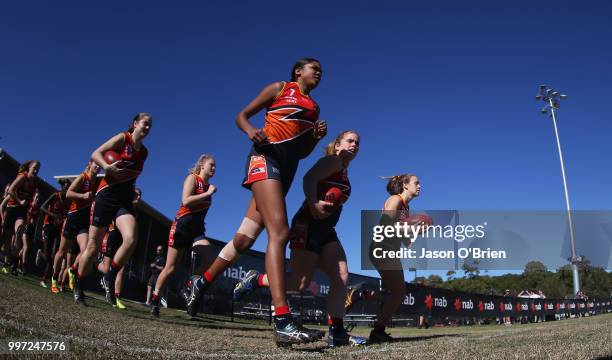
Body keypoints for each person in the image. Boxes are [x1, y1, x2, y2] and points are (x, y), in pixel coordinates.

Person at [185, 58, 326, 346]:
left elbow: (301, 153)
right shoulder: (279, 88)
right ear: (298, 71)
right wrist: (252, 131)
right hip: (264, 160)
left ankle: (200, 283)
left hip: (285, 172)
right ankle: (283, 320)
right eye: (315, 68)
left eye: (321, 71)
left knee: (244, 240)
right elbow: (242, 116)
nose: (319, 73)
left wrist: (314, 138)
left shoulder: (315, 109)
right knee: (280, 232)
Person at [234, 131, 367, 347]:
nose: (355, 145)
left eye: (357, 143)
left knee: (341, 276)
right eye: (350, 141)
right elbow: (309, 178)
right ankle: (256, 280)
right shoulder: (332, 161)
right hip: (308, 224)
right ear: (338, 144)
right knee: (300, 282)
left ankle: (337, 332)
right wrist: (314, 203)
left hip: (327, 229)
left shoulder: (343, 169)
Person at [72, 112, 152, 306]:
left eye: (151, 126)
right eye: (145, 124)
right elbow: (95, 153)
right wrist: (107, 167)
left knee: (131, 237)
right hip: (105, 197)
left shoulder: (144, 152)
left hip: (123, 201)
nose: (148, 128)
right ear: (135, 124)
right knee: (92, 248)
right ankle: (78, 285)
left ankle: (110, 275)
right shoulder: (122, 138)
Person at [356, 174, 425, 343]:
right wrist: (409, 228)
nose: (420, 186)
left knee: (394, 293)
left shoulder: (405, 208)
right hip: (382, 248)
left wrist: (414, 234)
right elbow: (385, 225)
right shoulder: (394, 200)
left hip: (389, 250)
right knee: (399, 292)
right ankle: (377, 331)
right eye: (416, 183)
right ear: (405, 185)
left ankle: (361, 294)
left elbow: (404, 236)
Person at [150, 154, 216, 317]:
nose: (214, 169)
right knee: (170, 268)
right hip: (182, 227)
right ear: (202, 165)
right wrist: (208, 194)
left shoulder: (209, 187)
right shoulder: (192, 179)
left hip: (197, 231)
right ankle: (155, 299)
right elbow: (186, 201)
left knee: (209, 260)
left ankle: (188, 284)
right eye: (211, 165)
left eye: (215, 166)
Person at [51, 160, 100, 293]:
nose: (98, 166)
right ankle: (54, 278)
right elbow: (68, 193)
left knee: (86, 250)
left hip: (84, 222)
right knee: (61, 252)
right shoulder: (83, 177)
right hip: (73, 218)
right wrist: (83, 195)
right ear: (90, 164)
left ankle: (72, 269)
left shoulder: (97, 183)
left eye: (100, 165)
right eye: (96, 164)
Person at [97, 187, 141, 309]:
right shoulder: (120, 205)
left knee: (121, 269)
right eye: (136, 195)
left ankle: (116, 296)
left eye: (140, 196)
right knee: (106, 268)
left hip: (123, 242)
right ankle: (94, 263)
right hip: (112, 236)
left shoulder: (135, 213)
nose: (138, 197)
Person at [1, 160, 40, 275]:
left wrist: (33, 201)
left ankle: (14, 263)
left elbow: (34, 196)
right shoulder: (22, 177)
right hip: (12, 208)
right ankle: (6, 261)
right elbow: (11, 190)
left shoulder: (34, 183)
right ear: (29, 168)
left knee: (19, 231)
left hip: (21, 211)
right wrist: (19, 200)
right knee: (6, 239)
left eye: (38, 169)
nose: (36, 170)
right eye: (34, 168)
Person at [39, 180, 69, 288]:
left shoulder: (68, 201)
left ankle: (44, 279)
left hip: (58, 229)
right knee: (48, 255)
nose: (67, 190)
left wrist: (63, 218)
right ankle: (41, 253)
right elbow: (42, 207)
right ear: (62, 188)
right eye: (66, 188)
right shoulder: (55, 196)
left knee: (54, 255)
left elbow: (66, 214)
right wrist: (53, 215)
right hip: (48, 226)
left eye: (68, 189)